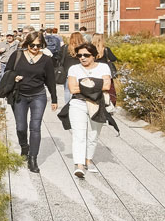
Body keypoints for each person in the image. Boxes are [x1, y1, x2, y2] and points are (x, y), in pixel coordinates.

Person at [8, 31, 58, 173]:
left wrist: (54, 99)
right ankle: (24, 146)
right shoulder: (17, 55)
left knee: (35, 127)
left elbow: (51, 80)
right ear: (27, 44)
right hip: (20, 96)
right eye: (32, 45)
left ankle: (32, 159)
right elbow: (7, 71)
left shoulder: (46, 60)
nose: (35, 48)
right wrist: (14, 77)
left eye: (39, 45)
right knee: (20, 127)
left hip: (38, 96)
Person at [64, 41, 113, 179]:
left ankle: (88, 159)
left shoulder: (103, 67)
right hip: (78, 103)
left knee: (93, 135)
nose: (82, 58)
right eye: (79, 55)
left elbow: (107, 86)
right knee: (78, 135)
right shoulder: (74, 69)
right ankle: (79, 165)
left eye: (86, 55)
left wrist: (83, 84)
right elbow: (73, 89)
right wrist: (96, 84)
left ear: (94, 56)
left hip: (97, 104)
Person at [55, 31, 86, 103]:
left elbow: (59, 58)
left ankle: (68, 105)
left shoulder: (65, 47)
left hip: (67, 71)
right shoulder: (84, 48)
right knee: (81, 89)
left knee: (67, 90)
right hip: (81, 71)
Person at [90, 33, 118, 105]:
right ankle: (109, 102)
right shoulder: (106, 49)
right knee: (109, 89)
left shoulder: (90, 50)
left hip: (94, 71)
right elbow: (113, 58)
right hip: (105, 72)